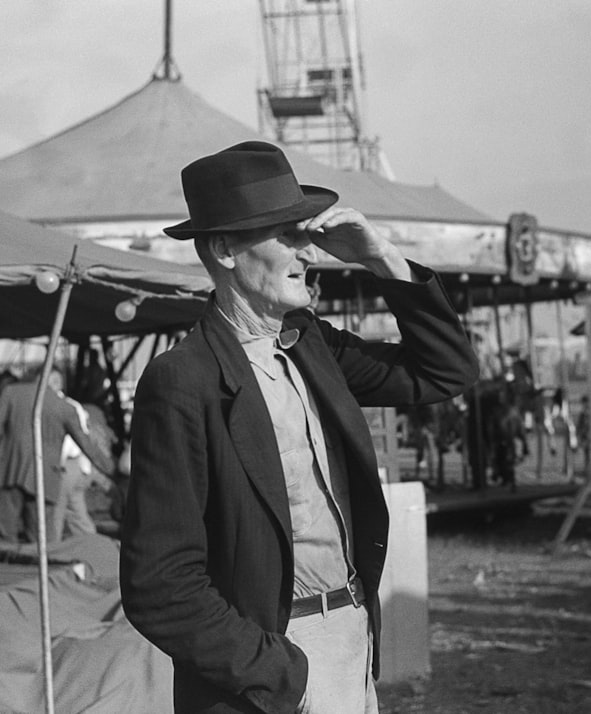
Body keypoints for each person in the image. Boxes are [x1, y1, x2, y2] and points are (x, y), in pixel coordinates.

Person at [119, 141, 479, 713]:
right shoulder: (183, 381)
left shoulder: (313, 344)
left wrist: (383, 257)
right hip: (270, 669)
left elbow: (444, 371)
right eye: (285, 235)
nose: (307, 250)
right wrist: (283, 674)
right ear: (224, 250)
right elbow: (159, 584)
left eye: (304, 232)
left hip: (352, 636)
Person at [0, 367, 114, 543]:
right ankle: (39, 567)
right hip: (45, 477)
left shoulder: (12, 392)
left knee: (3, 535)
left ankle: (3, 568)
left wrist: (10, 445)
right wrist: (111, 470)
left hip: (9, 470)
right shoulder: (65, 408)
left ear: (37, 376)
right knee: (41, 538)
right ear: (58, 383)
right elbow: (87, 445)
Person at [54, 400, 115, 540]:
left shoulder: (66, 406)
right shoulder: (74, 407)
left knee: (55, 515)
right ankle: (96, 549)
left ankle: (51, 550)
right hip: (80, 467)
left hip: (69, 466)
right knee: (76, 513)